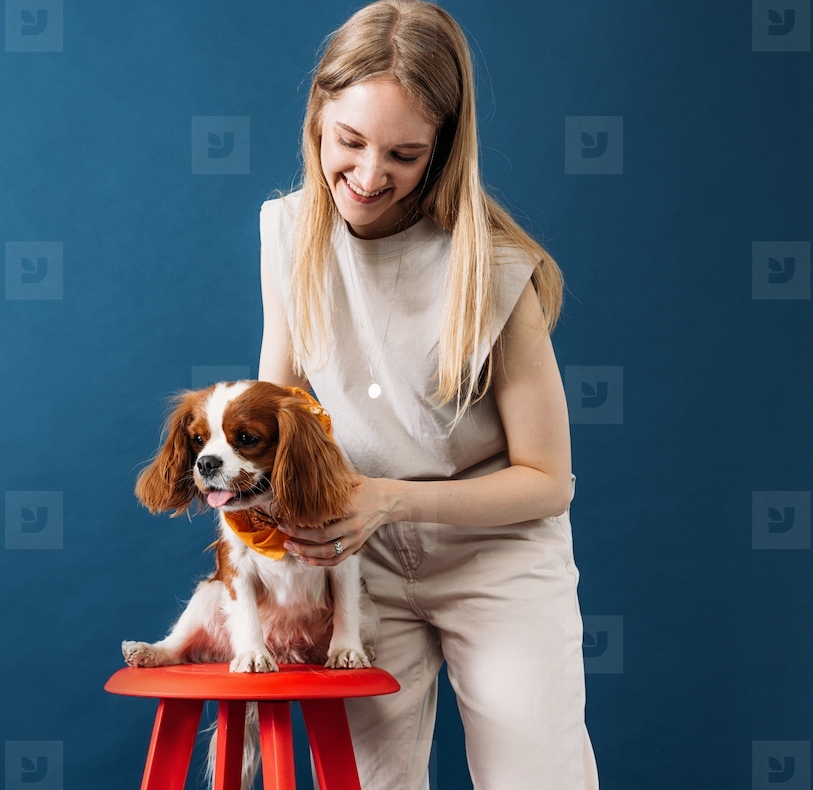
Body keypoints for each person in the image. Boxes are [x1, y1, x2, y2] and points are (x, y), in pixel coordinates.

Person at [255, 1, 601, 788]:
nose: (370, 177)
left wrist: (388, 498)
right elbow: (277, 418)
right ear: (318, 116)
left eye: (405, 155)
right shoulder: (285, 234)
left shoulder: (491, 266)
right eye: (350, 142)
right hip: (358, 561)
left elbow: (548, 483)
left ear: (442, 150)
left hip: (496, 557)